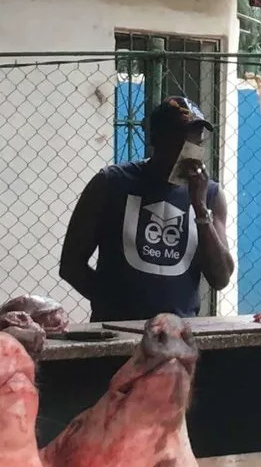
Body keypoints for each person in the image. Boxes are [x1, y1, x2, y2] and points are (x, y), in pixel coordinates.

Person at [59, 95, 235, 322]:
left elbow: (221, 278)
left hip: (178, 332)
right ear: (155, 140)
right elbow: (71, 266)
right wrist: (111, 306)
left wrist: (200, 209)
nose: (189, 153)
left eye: (197, 143)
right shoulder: (112, 183)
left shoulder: (210, 194)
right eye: (180, 142)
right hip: (118, 330)